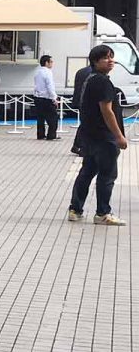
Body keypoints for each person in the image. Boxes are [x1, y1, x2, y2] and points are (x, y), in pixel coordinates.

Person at [67, 45, 127, 226]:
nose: (111, 61)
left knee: (86, 172)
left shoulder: (90, 79)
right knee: (107, 175)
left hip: (90, 136)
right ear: (95, 61)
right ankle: (103, 213)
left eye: (112, 57)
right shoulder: (102, 82)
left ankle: (75, 210)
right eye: (105, 58)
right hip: (104, 137)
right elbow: (107, 111)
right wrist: (118, 136)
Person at [33, 54, 60, 141]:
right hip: (46, 98)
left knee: (40, 118)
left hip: (37, 97)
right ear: (46, 63)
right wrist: (54, 98)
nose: (52, 64)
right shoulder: (48, 72)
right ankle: (51, 135)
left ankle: (40, 135)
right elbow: (50, 87)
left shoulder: (37, 72)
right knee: (53, 117)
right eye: (51, 62)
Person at [69, 62, 93, 156]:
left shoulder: (81, 71)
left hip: (79, 100)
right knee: (86, 126)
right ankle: (82, 148)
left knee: (84, 124)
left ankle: (76, 145)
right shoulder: (93, 73)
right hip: (87, 102)